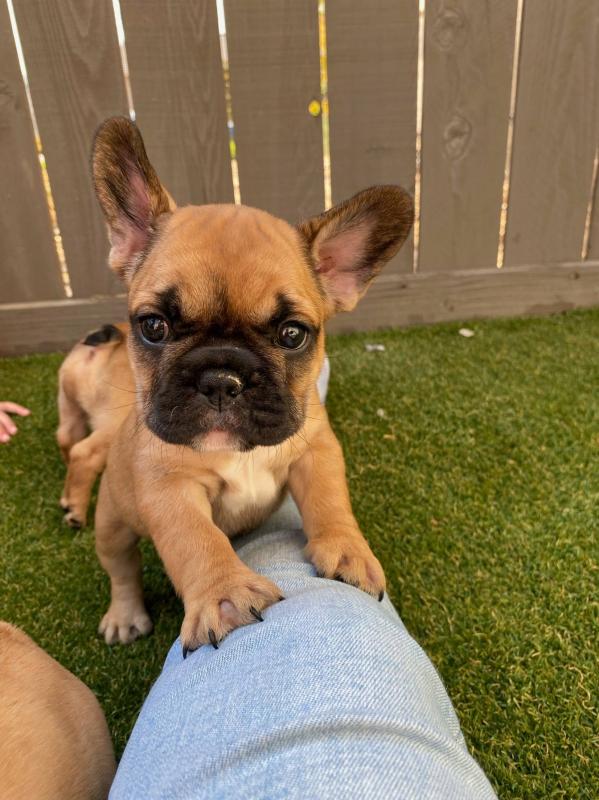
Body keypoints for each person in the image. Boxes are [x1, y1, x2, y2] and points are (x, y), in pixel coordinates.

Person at [109, 363, 497, 800]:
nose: (221, 382)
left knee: (305, 428)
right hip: (143, 507)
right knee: (114, 546)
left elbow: (314, 449)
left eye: (288, 334)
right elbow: (165, 486)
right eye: (158, 331)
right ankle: (124, 593)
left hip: (261, 486)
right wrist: (210, 577)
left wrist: (335, 528)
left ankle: (305, 377)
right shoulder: (160, 439)